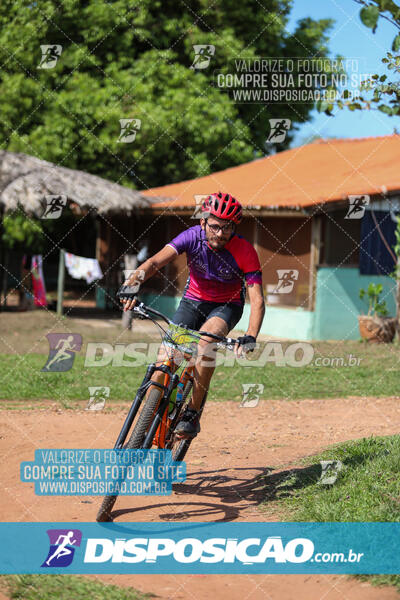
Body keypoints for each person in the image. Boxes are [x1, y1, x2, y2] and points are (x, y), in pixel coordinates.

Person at [121, 192, 265, 438]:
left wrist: (250, 335)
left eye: (227, 228)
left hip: (226, 306)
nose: (220, 233)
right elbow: (155, 263)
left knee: (206, 344)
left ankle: (192, 413)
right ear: (203, 221)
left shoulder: (245, 251)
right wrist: (131, 285)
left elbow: (257, 299)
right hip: (192, 301)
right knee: (163, 364)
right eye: (215, 226)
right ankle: (151, 414)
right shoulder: (191, 237)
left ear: (234, 227)